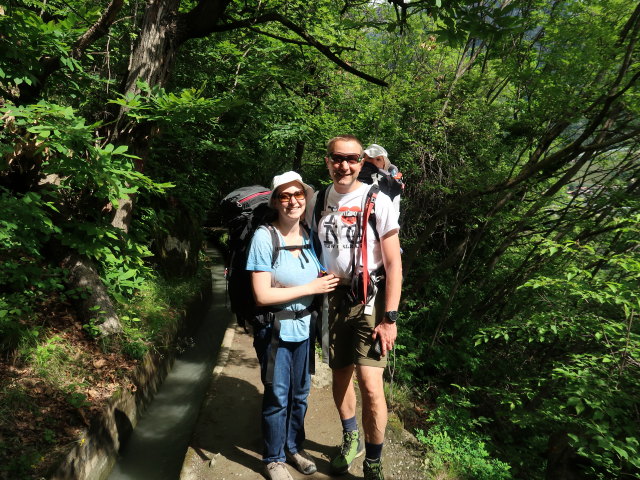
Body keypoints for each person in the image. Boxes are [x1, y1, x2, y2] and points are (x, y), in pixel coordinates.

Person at [307, 136, 402, 480]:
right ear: (328, 160)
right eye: (337, 158)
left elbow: (394, 264)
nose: (343, 165)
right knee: (341, 373)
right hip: (332, 297)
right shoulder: (317, 200)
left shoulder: (377, 200)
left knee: (371, 386)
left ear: (362, 162)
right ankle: (351, 438)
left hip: (370, 300)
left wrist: (390, 318)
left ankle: (373, 461)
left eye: (351, 159)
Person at [246, 171, 340, 480]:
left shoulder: (310, 235)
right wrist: (311, 289)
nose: (293, 201)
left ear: (306, 198)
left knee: (300, 394)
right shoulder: (264, 236)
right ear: (275, 201)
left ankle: (293, 448)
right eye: (285, 196)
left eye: (298, 195)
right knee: (278, 395)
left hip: (305, 328)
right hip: (274, 329)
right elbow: (261, 295)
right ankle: (273, 458)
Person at [362, 143, 402, 216]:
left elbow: (394, 214)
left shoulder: (391, 184)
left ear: (384, 165)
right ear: (363, 160)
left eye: (378, 159)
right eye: (369, 158)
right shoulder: (352, 176)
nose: (373, 162)